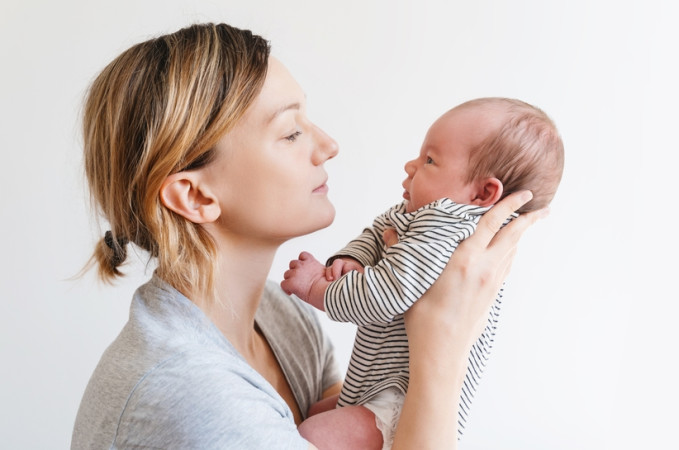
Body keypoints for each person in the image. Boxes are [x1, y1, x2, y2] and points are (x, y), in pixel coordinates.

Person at [71, 23, 543, 450]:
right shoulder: (196, 397)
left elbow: (358, 420)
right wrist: (443, 343)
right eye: (290, 133)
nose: (328, 145)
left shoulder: (281, 316)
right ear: (195, 196)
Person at [281, 98, 564, 449]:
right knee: (313, 412)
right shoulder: (421, 217)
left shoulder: (449, 227)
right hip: (378, 389)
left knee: (313, 434)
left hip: (400, 404)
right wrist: (353, 259)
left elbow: (383, 297)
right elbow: (377, 232)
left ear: (483, 193)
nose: (411, 165)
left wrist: (316, 289)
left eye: (430, 160)